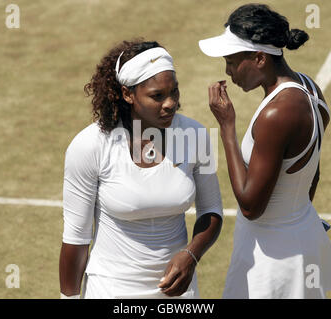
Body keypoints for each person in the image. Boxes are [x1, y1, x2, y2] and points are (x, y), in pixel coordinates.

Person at [59, 40, 223, 299]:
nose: (170, 103)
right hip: (111, 289)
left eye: (174, 92)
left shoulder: (196, 134)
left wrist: (191, 255)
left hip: (178, 289)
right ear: (127, 94)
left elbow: (212, 210)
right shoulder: (89, 145)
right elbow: (76, 237)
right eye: (157, 96)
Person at [198, 4, 331, 298]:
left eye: (232, 61)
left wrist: (226, 126)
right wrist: (295, 214)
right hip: (300, 238)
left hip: (272, 259)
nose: (227, 70)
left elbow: (250, 206)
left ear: (260, 58)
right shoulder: (310, 88)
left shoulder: (278, 113)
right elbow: (312, 173)